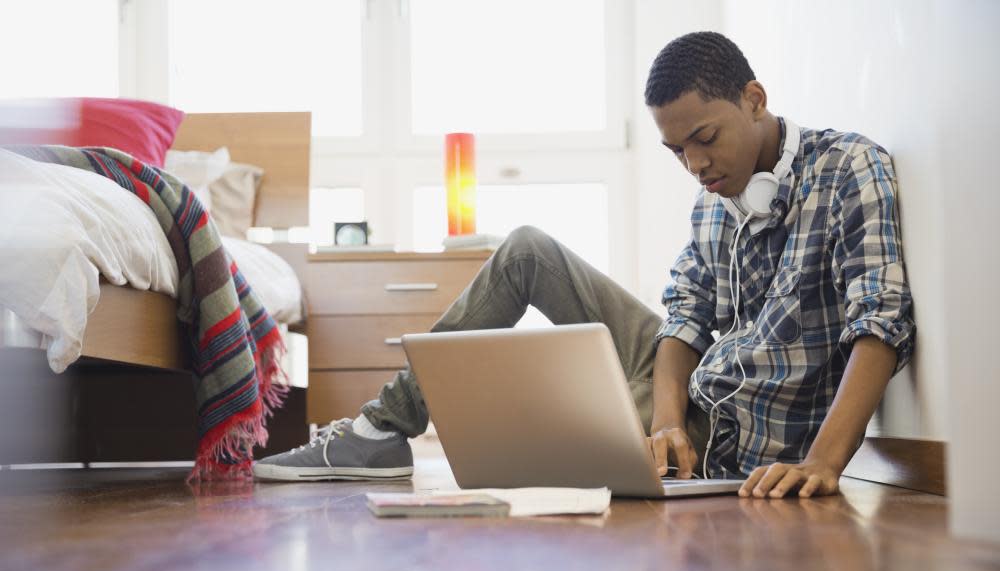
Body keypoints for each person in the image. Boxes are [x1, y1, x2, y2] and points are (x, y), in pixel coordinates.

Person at [254, 31, 915, 499]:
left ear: (754, 98)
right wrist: (662, 417)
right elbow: (685, 318)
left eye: (705, 140)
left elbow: (880, 320)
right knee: (526, 248)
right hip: (682, 405)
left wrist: (828, 461)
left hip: (730, 440)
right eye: (675, 151)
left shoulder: (849, 168)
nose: (696, 166)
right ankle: (379, 430)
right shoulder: (715, 196)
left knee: (524, 422)